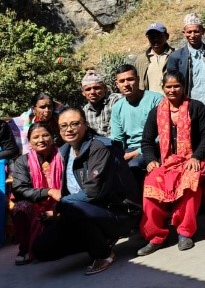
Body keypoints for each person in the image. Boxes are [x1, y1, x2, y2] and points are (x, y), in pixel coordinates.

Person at [32, 106, 139, 275]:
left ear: (85, 125)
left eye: (75, 124)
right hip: (86, 211)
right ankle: (100, 239)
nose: (69, 129)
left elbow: (93, 191)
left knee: (70, 208)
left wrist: (61, 206)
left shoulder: (99, 148)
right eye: (64, 126)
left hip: (119, 212)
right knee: (41, 249)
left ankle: (104, 254)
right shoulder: (64, 151)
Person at [137, 71, 205, 255]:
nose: (173, 90)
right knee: (150, 183)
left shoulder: (196, 107)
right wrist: (150, 161)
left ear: (184, 87)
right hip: (167, 162)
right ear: (163, 88)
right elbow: (146, 141)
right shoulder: (156, 112)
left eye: (176, 86)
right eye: (168, 87)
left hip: (191, 159)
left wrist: (196, 156)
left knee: (189, 183)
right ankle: (155, 236)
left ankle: (184, 232)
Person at [10, 123, 61, 265]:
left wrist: (58, 207)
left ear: (52, 137)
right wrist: (48, 191)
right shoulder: (23, 161)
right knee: (20, 208)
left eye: (45, 135)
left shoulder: (63, 154)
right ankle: (25, 248)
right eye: (36, 137)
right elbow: (19, 189)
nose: (41, 140)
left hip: (61, 202)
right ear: (30, 141)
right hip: (37, 206)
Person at [111, 64, 163, 179]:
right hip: (129, 150)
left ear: (138, 79)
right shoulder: (117, 107)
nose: (126, 84)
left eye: (130, 79)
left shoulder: (156, 100)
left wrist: (137, 152)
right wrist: (118, 155)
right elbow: (117, 140)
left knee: (133, 167)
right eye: (122, 81)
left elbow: (162, 134)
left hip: (152, 148)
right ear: (117, 84)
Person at [168, 13, 205, 122]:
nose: (192, 35)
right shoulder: (176, 56)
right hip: (190, 103)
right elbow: (171, 82)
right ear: (184, 33)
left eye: (196, 31)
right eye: (189, 32)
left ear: (203, 31)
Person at [135, 22, 175, 93]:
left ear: (167, 36)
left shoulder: (176, 56)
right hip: (149, 102)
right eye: (152, 37)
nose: (155, 40)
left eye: (159, 36)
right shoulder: (140, 61)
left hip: (171, 101)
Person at [81, 70, 122, 138]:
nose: (92, 92)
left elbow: (117, 133)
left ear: (105, 89)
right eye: (88, 89)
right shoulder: (85, 110)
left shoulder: (115, 100)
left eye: (96, 88)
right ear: (83, 93)